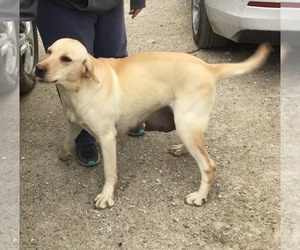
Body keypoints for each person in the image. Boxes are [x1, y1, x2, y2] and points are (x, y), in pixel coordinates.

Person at [36, 0, 146, 167]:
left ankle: (123, 116)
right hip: (62, 6)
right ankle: (85, 136)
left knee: (116, 60)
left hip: (109, 4)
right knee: (69, 71)